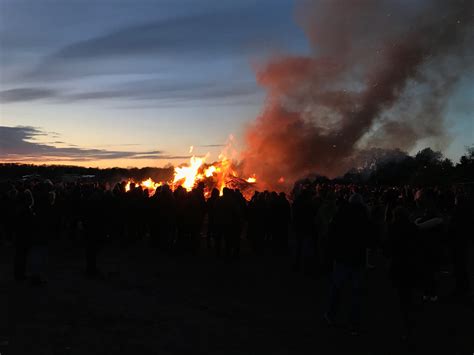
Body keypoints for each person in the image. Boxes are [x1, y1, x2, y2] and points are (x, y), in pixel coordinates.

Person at [325, 193, 370, 335]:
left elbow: (331, 233)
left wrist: (332, 251)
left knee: (337, 287)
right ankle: (354, 324)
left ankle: (331, 315)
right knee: (356, 293)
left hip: (342, 257)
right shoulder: (365, 216)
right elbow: (371, 237)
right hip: (358, 258)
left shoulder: (341, 214)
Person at [386, 206, 421, 340]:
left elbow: (388, 248)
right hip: (412, 264)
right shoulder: (413, 227)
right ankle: (410, 322)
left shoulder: (392, 228)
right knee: (409, 293)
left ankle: (407, 325)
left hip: (399, 265)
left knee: (402, 295)